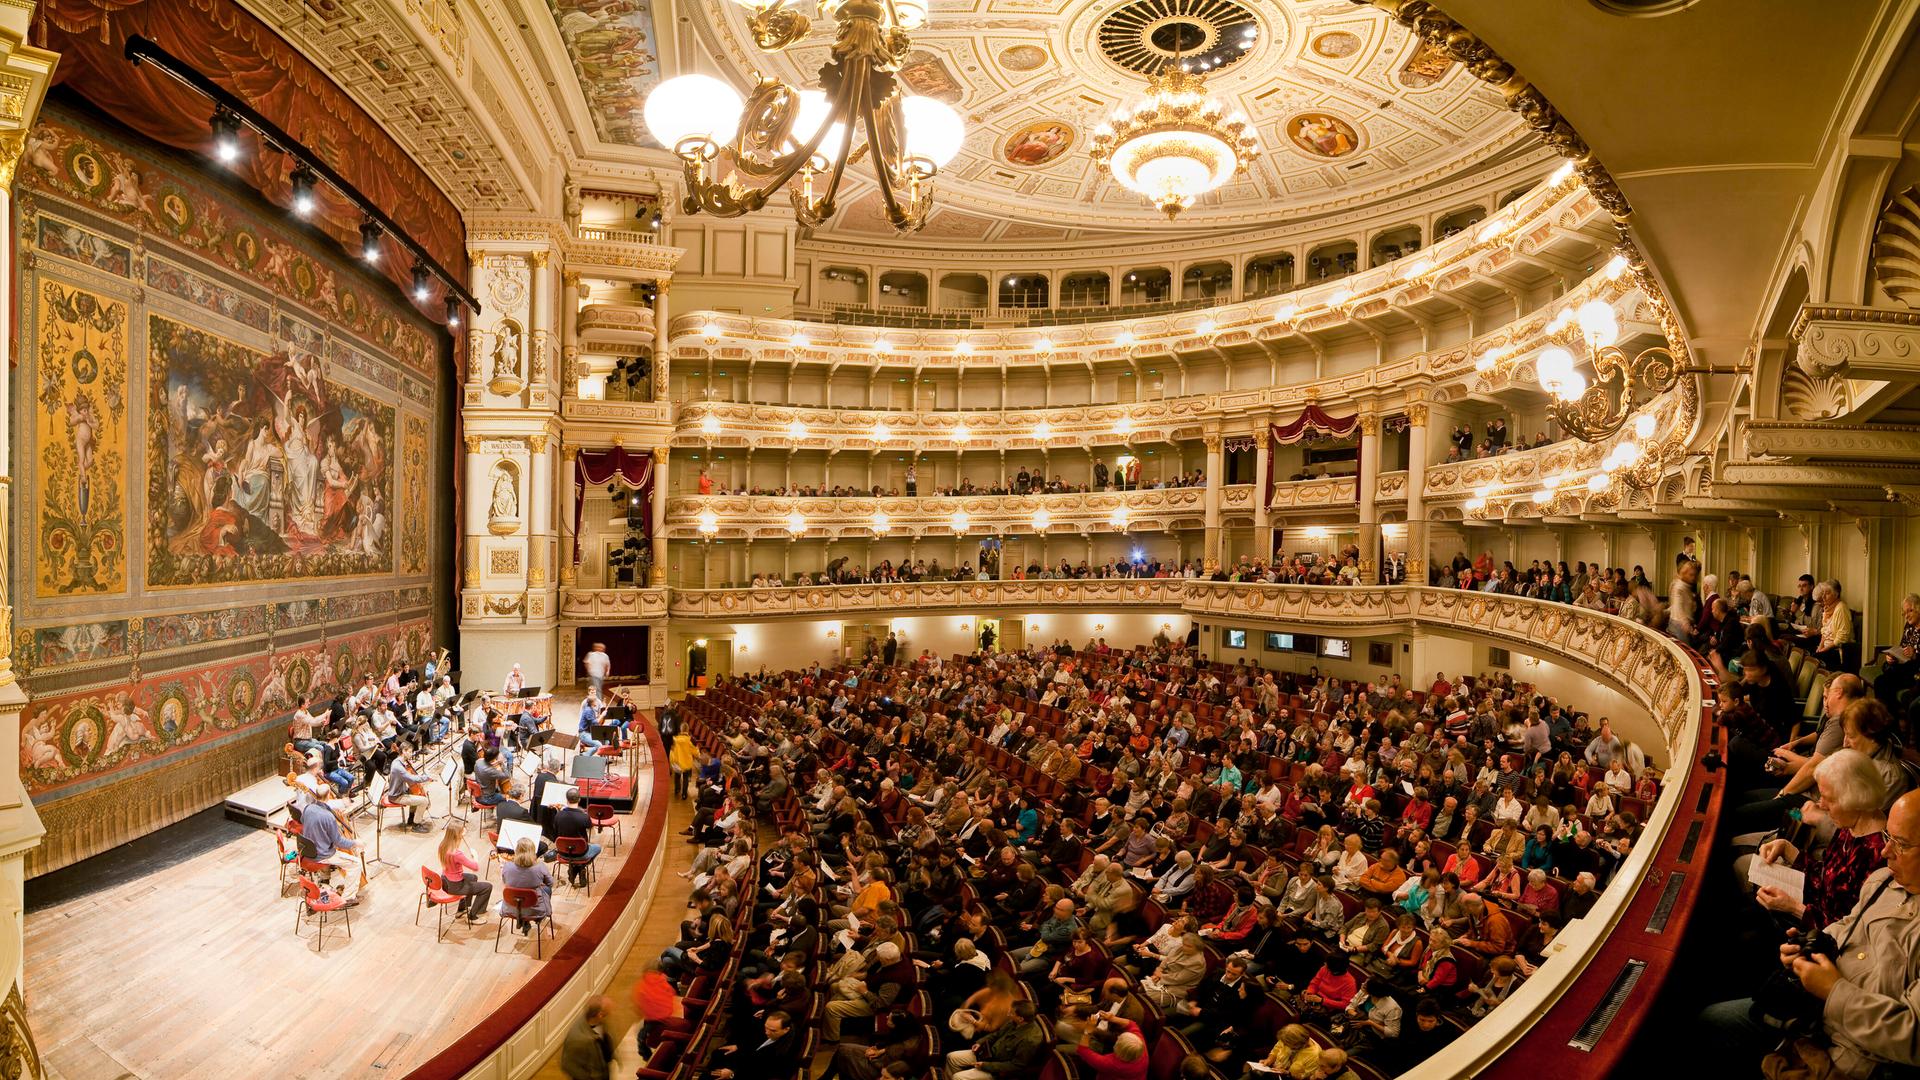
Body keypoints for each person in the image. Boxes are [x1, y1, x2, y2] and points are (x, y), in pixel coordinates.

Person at [1700, 788, 1920, 1077]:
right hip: (1808, 1013)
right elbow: (1844, 925)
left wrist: (1832, 990)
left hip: (1848, 1054)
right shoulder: (1883, 879)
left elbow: (1912, 1037)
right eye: (1889, 837)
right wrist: (1807, 949)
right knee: (1709, 1021)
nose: (1884, 851)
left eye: (1900, 844)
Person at [296, 798, 363, 904]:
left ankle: (325, 879)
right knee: (356, 864)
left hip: (307, 852)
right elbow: (339, 842)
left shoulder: (308, 808)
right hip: (322, 855)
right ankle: (348, 897)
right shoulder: (329, 816)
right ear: (328, 796)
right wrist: (354, 843)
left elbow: (302, 821)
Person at [708, 1009, 798, 1080]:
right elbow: (755, 1041)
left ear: (786, 1029)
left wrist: (732, 1074)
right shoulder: (773, 1031)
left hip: (750, 1073)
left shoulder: (784, 1053)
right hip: (749, 1059)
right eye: (766, 1028)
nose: (767, 1032)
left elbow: (760, 1073)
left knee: (715, 1074)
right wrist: (738, 1046)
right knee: (718, 1053)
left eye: (772, 1030)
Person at [437, 819, 492, 923]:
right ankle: (473, 916)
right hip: (455, 886)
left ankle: (462, 910)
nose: (464, 831)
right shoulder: (456, 853)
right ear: (457, 834)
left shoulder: (442, 845)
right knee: (487, 887)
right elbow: (475, 867)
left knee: (473, 878)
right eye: (462, 830)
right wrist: (475, 856)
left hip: (445, 881)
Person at [500, 837, 554, 935]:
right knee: (547, 889)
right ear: (533, 851)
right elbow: (550, 883)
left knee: (520, 894)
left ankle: (524, 920)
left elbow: (505, 881)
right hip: (535, 909)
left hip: (511, 908)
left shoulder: (507, 866)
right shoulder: (540, 867)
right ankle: (538, 918)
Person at [559, 995, 613, 1080]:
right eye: (607, 1013)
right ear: (600, 1015)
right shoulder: (578, 1039)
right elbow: (567, 1065)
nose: (610, 1014)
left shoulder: (599, 1021)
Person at [384, 745, 433, 832]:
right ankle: (416, 825)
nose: (411, 754)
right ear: (403, 751)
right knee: (424, 801)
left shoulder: (397, 761)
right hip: (397, 796)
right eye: (409, 752)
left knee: (414, 792)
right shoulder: (398, 767)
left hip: (401, 791)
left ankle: (411, 818)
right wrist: (426, 777)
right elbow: (412, 778)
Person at [670, 727, 697, 799]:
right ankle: (684, 794)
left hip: (677, 763)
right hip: (687, 763)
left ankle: (677, 790)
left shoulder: (674, 739)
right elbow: (695, 752)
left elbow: (672, 751)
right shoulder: (690, 740)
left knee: (677, 777)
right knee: (685, 779)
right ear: (687, 730)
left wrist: (672, 761)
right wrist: (698, 754)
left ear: (680, 730)